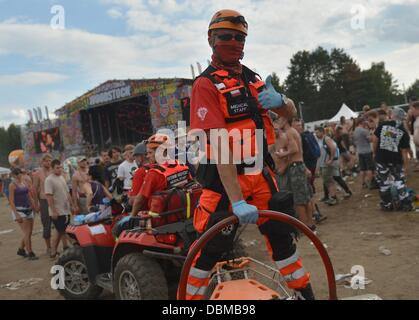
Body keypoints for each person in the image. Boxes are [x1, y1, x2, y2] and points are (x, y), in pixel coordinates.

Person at [185, 10, 314, 300]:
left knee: (283, 239)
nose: (233, 42)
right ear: (211, 39)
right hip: (223, 180)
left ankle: (304, 294)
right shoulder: (205, 85)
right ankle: (188, 301)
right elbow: (219, 146)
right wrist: (236, 200)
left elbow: (289, 113)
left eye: (239, 37)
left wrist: (282, 101)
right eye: (226, 36)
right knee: (209, 250)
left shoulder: (252, 77)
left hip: (261, 173)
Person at [131, 134, 191, 216]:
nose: (147, 156)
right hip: (185, 212)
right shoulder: (181, 165)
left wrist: (132, 217)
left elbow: (139, 200)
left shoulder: (154, 173)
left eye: (150, 153)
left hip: (162, 218)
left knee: (122, 224)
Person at [275, 116, 314, 230]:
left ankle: (304, 226)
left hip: (295, 166)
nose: (278, 123)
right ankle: (310, 223)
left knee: (299, 200)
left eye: (279, 120)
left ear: (286, 120)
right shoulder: (292, 131)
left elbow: (294, 149)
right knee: (306, 198)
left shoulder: (289, 132)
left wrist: (282, 154)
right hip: (299, 165)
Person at [372, 108, 412, 211]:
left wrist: (375, 153)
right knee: (399, 181)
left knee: (384, 182)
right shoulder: (403, 131)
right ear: (402, 118)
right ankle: (406, 205)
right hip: (396, 160)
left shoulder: (383, 125)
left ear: (392, 115)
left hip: (381, 159)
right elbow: (404, 152)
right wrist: (406, 166)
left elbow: (375, 140)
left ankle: (387, 205)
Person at [45, 160, 74, 258]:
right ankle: (71, 246)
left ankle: (54, 252)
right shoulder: (49, 180)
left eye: (60, 167)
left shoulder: (61, 177)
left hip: (65, 209)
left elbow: (67, 193)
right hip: (57, 211)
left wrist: (72, 205)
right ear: (52, 168)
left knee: (59, 231)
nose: (60, 169)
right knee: (63, 230)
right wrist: (53, 211)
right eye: (57, 167)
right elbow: (49, 197)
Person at [8, 168, 38, 260]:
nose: (18, 175)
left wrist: (34, 206)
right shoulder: (12, 185)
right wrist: (16, 214)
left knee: (29, 233)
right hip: (19, 210)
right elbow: (11, 201)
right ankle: (30, 253)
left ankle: (21, 249)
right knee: (27, 233)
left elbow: (28, 196)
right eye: (16, 174)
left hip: (28, 209)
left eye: (19, 173)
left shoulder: (24, 183)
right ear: (13, 175)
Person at [33, 154, 53, 254]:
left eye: (49, 161)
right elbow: (34, 190)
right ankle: (48, 247)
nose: (48, 163)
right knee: (46, 224)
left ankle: (64, 244)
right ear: (42, 162)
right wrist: (36, 204)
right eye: (46, 161)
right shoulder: (37, 173)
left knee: (60, 222)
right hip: (44, 200)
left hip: (54, 200)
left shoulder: (53, 171)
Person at [315, 126, 339, 205]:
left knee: (329, 181)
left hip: (327, 163)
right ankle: (332, 197)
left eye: (317, 132)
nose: (316, 134)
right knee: (327, 181)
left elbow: (333, 147)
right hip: (323, 164)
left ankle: (333, 198)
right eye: (315, 132)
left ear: (322, 132)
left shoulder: (326, 139)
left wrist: (331, 159)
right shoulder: (320, 140)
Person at [353, 117, 375, 188]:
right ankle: (371, 183)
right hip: (367, 151)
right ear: (362, 122)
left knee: (362, 169)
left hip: (359, 151)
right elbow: (370, 140)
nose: (366, 122)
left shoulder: (355, 130)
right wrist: (371, 134)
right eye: (365, 121)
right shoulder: (364, 131)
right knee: (369, 168)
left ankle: (363, 183)